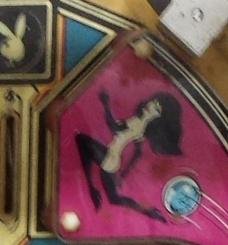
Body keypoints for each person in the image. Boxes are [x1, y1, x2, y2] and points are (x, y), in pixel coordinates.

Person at [75, 90, 184, 222]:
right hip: (113, 162)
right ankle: (148, 211)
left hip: (110, 158)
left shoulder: (137, 122)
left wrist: (106, 104)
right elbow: (137, 153)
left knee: (81, 139)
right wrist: (122, 174)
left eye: (156, 109)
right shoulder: (142, 129)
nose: (150, 106)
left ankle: (91, 186)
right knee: (113, 198)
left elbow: (114, 128)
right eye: (153, 101)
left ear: (159, 117)